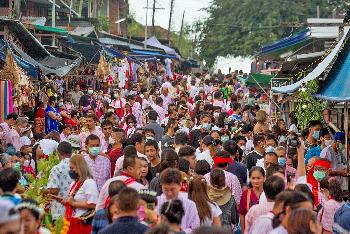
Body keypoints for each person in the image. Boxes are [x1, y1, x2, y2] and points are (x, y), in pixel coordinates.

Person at [53, 154, 98, 234]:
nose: (70, 171)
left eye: (72, 168)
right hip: (73, 220)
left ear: (79, 167)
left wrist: (74, 203)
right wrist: (64, 201)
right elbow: (72, 201)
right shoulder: (74, 183)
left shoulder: (89, 182)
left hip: (83, 223)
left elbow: (93, 205)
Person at [157, 168, 200, 233]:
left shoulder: (190, 205)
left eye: (172, 189)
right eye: (165, 189)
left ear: (180, 185)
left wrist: (182, 232)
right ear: (161, 186)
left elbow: (195, 228)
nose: (169, 193)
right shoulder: (156, 202)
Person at [45, 141, 73, 220]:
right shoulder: (77, 165)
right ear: (71, 152)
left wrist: (43, 190)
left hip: (60, 210)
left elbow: (54, 191)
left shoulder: (57, 168)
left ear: (58, 153)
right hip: (74, 209)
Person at [238, 166, 265, 233]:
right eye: (253, 178)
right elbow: (242, 214)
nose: (256, 181)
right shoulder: (245, 194)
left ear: (264, 178)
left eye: (258, 178)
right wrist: (243, 231)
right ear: (249, 178)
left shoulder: (268, 193)